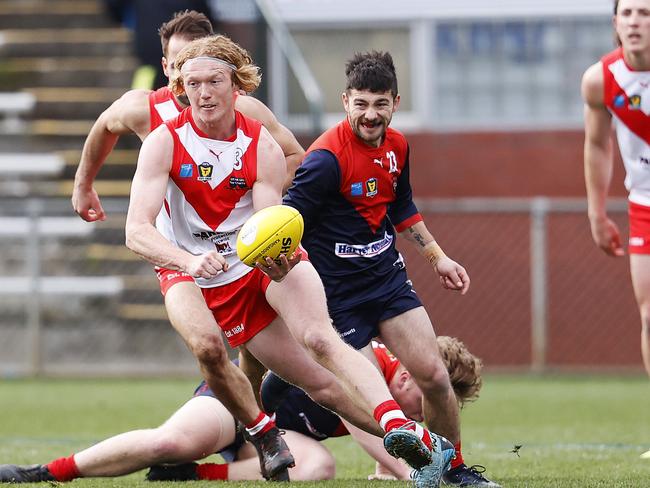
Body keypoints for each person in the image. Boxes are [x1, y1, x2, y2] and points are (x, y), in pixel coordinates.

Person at [123, 34, 454, 487]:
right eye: (192, 82)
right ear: (180, 86)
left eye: (213, 81)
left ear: (235, 85)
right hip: (201, 270)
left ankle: (405, 433)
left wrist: (277, 258)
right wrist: (188, 259)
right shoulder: (163, 142)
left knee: (322, 340)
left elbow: (267, 221)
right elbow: (135, 231)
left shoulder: (260, 144)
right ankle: (265, 432)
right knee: (298, 379)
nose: (202, 92)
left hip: (257, 261)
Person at [70, 10, 304, 480]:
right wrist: (84, 185)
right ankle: (256, 429)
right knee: (208, 346)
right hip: (177, 252)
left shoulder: (245, 111)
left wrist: (267, 218)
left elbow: (295, 153)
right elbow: (103, 126)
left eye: (201, 65)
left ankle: (245, 427)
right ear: (166, 65)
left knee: (257, 355)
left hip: (239, 250)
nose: (190, 79)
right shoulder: (145, 109)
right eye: (179, 66)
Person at [282, 50, 499, 487]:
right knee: (363, 397)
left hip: (387, 282)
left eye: (380, 104)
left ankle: (452, 473)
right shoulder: (325, 159)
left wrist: (438, 259)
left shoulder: (399, 145)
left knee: (435, 375)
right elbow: (289, 220)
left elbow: (402, 206)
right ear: (345, 101)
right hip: (337, 298)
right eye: (361, 103)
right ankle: (408, 467)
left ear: (395, 103)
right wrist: (286, 271)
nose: (370, 114)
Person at [0, 337, 482, 483]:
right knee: (169, 443)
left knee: (318, 467)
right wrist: (427, 474)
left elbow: (383, 457)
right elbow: (373, 437)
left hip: (279, 438)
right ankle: (42, 472)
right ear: (406, 376)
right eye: (429, 403)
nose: (422, 417)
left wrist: (395, 470)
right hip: (239, 407)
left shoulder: (392, 391)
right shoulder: (363, 362)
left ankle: (196, 477)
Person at [582, 0, 650, 461]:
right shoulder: (599, 80)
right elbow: (596, 143)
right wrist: (596, 211)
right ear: (614, 23)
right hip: (643, 206)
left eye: (645, 13)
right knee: (649, 316)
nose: (634, 21)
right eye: (627, 13)